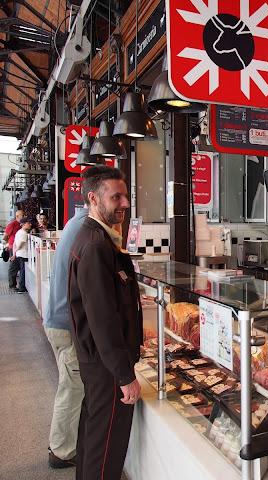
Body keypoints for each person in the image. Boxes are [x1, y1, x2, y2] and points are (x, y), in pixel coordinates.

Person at [68, 166, 142, 480]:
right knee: (106, 451)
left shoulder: (95, 236)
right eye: (116, 197)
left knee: (94, 439)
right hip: (106, 366)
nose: (124, 203)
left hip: (97, 361)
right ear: (93, 199)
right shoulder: (96, 245)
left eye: (125, 195)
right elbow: (102, 318)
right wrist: (124, 375)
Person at [42, 203, 89, 468]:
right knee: (71, 389)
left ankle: (66, 445)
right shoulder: (86, 228)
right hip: (66, 325)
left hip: (60, 320)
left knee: (70, 385)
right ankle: (61, 452)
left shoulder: (74, 223)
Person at [3, 209, 25, 290]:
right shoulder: (12, 224)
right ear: (17, 216)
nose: (24, 216)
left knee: (19, 266)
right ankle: (12, 285)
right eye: (23, 215)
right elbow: (4, 237)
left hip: (20, 248)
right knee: (14, 266)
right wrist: (10, 243)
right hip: (13, 247)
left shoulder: (22, 224)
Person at [11, 216, 32, 293]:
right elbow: (20, 245)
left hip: (19, 254)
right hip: (23, 254)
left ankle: (22, 287)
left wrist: (14, 254)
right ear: (23, 224)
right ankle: (22, 288)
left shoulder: (19, 232)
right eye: (28, 223)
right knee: (23, 271)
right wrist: (16, 251)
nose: (30, 224)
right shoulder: (24, 233)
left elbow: (14, 244)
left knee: (22, 271)